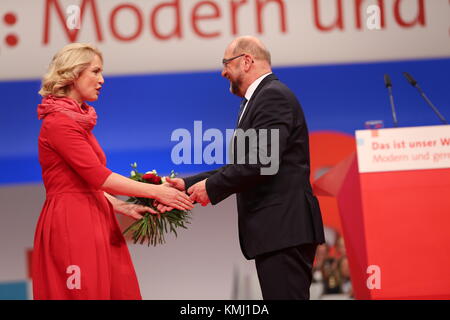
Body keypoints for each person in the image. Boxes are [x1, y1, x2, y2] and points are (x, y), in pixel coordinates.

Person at [165, 36, 325, 300]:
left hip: (284, 230)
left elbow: (261, 162)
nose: (223, 71)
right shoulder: (256, 100)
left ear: (247, 61)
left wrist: (213, 187)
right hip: (278, 232)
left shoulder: (272, 96)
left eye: (226, 63)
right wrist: (189, 184)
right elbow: (244, 165)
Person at [33, 43, 193, 300]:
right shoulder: (59, 123)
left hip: (93, 216)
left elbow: (86, 182)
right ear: (73, 74)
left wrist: (123, 207)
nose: (101, 79)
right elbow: (100, 176)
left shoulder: (76, 119)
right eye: (95, 71)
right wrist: (158, 192)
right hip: (72, 223)